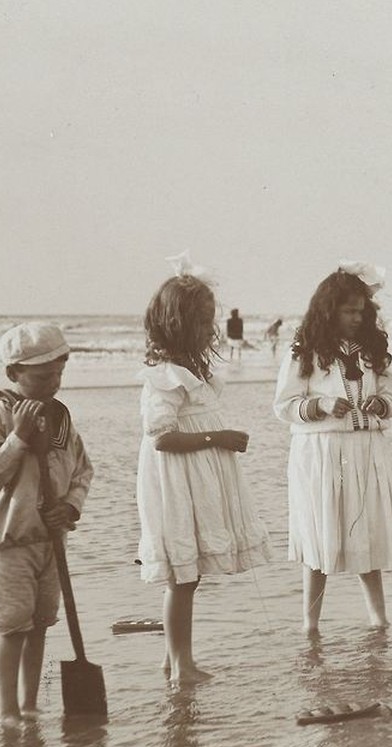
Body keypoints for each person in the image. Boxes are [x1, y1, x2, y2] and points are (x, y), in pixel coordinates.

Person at [137, 265, 273, 683]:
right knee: (182, 576)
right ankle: (182, 665)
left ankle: (173, 660)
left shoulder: (192, 372)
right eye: (200, 321)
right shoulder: (163, 378)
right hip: (178, 484)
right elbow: (161, 438)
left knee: (187, 576)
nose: (209, 329)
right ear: (176, 325)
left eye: (209, 319)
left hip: (196, 480)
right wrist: (219, 438)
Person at [0, 323, 93, 727]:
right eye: (41, 376)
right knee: (12, 625)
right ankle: (7, 709)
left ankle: (30, 702)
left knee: (39, 625)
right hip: (8, 541)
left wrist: (70, 508)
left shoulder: (61, 420)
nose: (52, 383)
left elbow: (83, 471)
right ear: (13, 374)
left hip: (50, 541)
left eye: (58, 373)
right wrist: (17, 439)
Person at [274, 261, 392, 633]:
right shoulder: (304, 353)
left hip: (365, 451)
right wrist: (320, 405)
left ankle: (378, 617)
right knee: (321, 534)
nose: (354, 318)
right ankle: (310, 621)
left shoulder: (371, 352)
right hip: (320, 454)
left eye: (360, 312)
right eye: (347, 311)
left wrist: (380, 405)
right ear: (328, 310)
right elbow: (283, 406)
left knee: (365, 532)